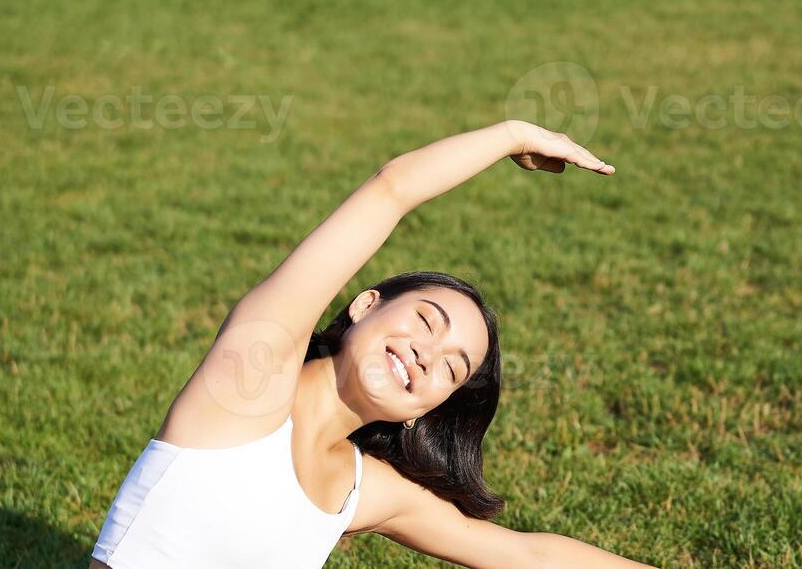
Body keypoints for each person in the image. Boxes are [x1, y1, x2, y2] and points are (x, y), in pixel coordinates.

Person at [90, 121, 652, 568]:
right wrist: (512, 135)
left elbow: (523, 555)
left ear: (426, 410)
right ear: (364, 305)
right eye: (426, 323)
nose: (426, 356)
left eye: (451, 370)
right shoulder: (247, 382)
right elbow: (390, 191)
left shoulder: (362, 489)